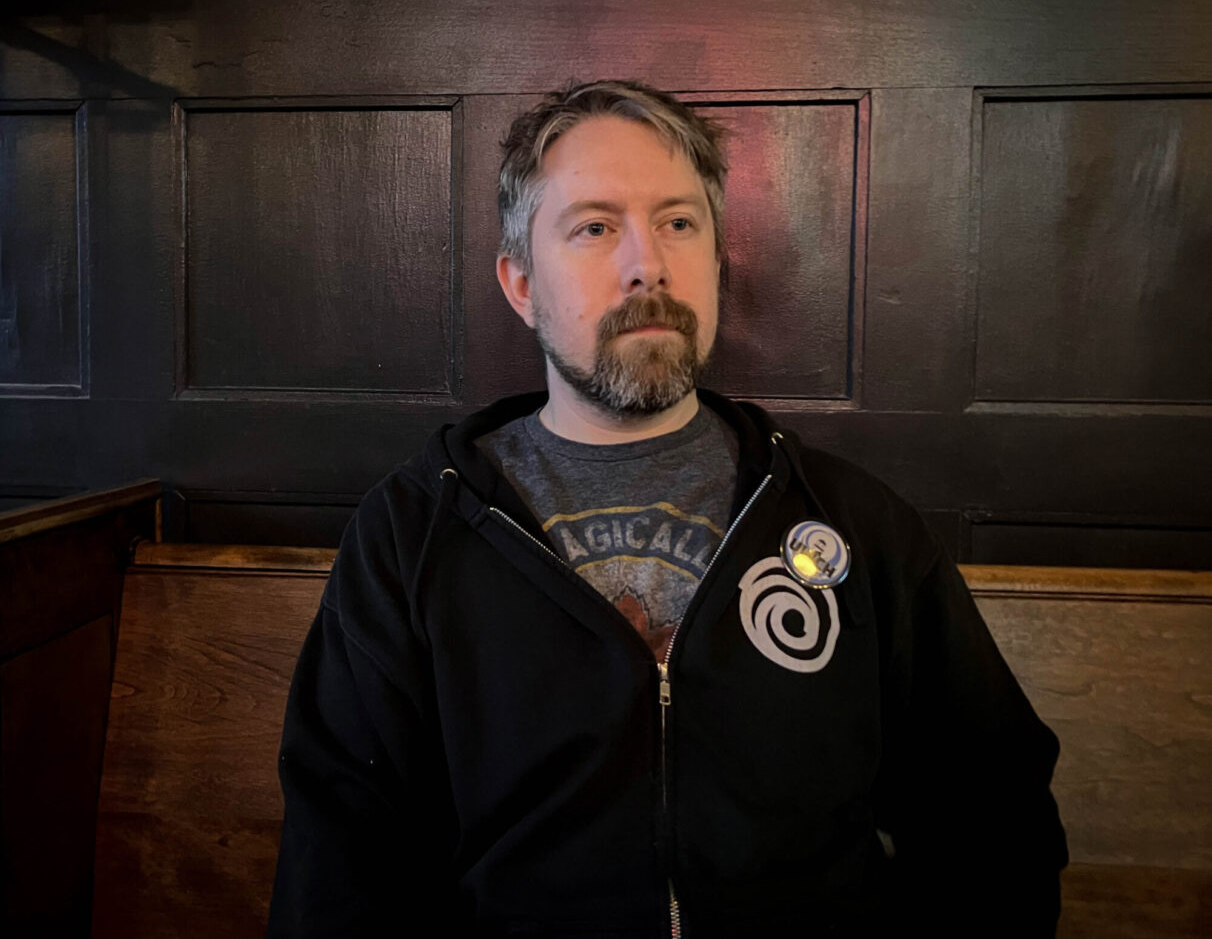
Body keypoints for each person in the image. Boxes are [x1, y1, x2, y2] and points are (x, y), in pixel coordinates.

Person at [268, 79, 1067, 938]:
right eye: (595, 226)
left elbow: (993, 820)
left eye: (679, 222)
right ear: (522, 283)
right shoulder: (413, 532)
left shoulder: (853, 524)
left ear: (717, 261)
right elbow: (341, 866)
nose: (647, 262)